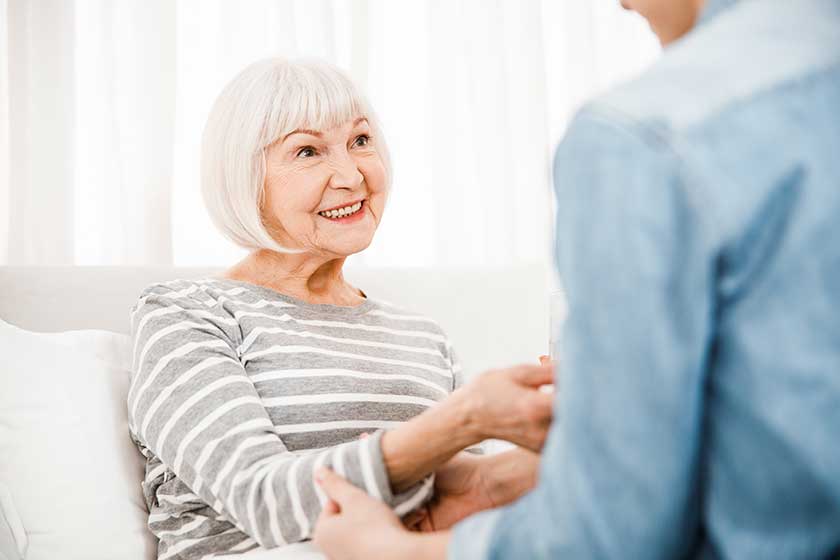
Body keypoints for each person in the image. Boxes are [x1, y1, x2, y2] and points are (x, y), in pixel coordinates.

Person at [312, 0, 840, 558]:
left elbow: (610, 536)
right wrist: (504, 476)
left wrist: (392, 552)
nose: (621, 3)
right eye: (306, 150)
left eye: (363, 142)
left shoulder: (645, 134)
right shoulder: (212, 314)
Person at [126, 58, 553, 560]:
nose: (352, 176)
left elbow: (458, 510)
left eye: (361, 141)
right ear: (244, 178)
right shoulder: (186, 315)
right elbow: (264, 502)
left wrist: (565, 440)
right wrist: (464, 419)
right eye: (307, 151)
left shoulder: (421, 336)